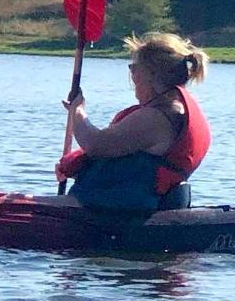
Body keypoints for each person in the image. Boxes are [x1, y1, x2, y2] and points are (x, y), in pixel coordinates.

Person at [55, 32, 211, 211]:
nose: (132, 73)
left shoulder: (158, 117)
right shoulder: (173, 109)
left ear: (152, 74)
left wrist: (77, 111)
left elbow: (96, 145)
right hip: (123, 204)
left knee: (21, 203)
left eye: (134, 67)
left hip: (121, 212)